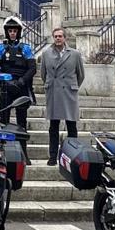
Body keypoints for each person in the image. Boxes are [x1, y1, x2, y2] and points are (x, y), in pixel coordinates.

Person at [41, 26, 84, 165]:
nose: (58, 39)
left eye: (60, 36)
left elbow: (80, 74)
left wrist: (72, 86)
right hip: (54, 92)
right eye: (56, 36)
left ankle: (73, 156)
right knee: (53, 126)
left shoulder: (75, 54)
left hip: (69, 92)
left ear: (65, 38)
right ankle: (53, 156)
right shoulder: (46, 53)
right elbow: (43, 74)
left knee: (72, 125)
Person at [0, 15, 36, 151]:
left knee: (21, 121)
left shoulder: (26, 48)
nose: (12, 33)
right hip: (6, 88)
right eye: (10, 31)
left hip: (21, 88)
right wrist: (8, 81)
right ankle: (3, 151)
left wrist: (21, 81)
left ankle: (23, 152)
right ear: (7, 32)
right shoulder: (0, 48)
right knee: (4, 121)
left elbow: (32, 68)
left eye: (14, 31)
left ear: (18, 32)